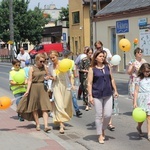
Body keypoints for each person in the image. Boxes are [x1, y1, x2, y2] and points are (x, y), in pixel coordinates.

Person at [88, 50, 118, 144]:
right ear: (96, 57)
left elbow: (112, 79)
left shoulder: (107, 67)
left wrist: (115, 90)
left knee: (108, 114)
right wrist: (90, 96)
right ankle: (100, 134)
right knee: (99, 115)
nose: (102, 58)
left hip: (108, 93)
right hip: (97, 94)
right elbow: (89, 83)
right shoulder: (92, 69)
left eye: (103, 56)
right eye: (100, 56)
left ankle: (103, 128)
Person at [17, 53, 52, 132]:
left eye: (44, 61)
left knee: (45, 107)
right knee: (34, 107)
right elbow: (29, 80)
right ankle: (38, 124)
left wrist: (47, 77)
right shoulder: (32, 68)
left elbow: (48, 75)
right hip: (34, 88)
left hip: (43, 88)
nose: (42, 63)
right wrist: (27, 91)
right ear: (36, 60)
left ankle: (46, 125)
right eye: (41, 61)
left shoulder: (45, 67)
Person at [49, 50, 73, 134]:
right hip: (56, 86)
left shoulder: (63, 64)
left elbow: (70, 75)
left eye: (53, 57)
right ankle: (61, 126)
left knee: (65, 105)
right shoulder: (50, 66)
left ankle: (60, 119)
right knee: (59, 105)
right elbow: (52, 77)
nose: (52, 59)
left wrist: (72, 85)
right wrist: (50, 78)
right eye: (50, 58)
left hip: (65, 85)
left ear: (57, 56)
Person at [63, 49, 82, 117]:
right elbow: (74, 71)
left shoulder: (61, 62)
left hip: (64, 80)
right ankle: (77, 110)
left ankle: (64, 111)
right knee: (73, 96)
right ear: (69, 55)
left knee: (65, 96)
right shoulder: (72, 62)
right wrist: (75, 75)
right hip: (71, 80)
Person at [133, 63, 150, 140]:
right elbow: (136, 91)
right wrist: (135, 102)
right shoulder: (138, 79)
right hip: (142, 99)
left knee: (149, 117)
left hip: (149, 98)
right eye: (146, 71)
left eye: (149, 71)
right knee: (142, 117)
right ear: (142, 71)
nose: (147, 73)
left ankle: (149, 134)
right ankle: (139, 127)